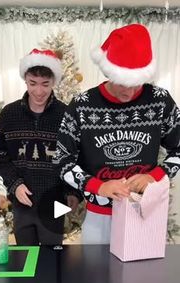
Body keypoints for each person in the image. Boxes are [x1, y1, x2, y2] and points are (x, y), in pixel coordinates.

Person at [53, 23, 180, 244]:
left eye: (136, 83)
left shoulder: (160, 100)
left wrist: (154, 176)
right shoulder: (82, 105)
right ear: (109, 71)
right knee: (96, 277)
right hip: (98, 217)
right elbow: (62, 160)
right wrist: (98, 186)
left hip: (144, 213)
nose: (129, 92)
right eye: (122, 82)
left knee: (143, 277)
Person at [0, 48, 79, 245]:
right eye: (33, 83)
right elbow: (2, 158)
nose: (39, 91)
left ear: (53, 83)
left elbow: (75, 157)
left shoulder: (66, 115)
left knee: (53, 259)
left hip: (55, 201)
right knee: (25, 257)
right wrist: (15, 184)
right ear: (25, 80)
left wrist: (73, 192)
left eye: (45, 84)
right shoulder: (8, 114)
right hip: (22, 202)